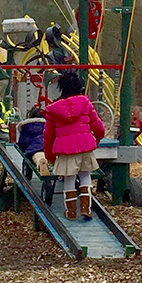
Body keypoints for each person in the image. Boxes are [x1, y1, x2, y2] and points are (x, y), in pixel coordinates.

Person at [43, 70, 105, 220]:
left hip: (65, 149)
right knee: (85, 175)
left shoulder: (54, 110)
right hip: (85, 145)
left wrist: (50, 156)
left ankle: (71, 212)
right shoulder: (86, 104)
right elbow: (99, 127)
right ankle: (86, 208)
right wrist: (96, 139)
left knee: (69, 178)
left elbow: (48, 136)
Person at [16, 107, 50, 176]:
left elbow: (22, 142)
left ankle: (38, 164)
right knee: (43, 157)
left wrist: (22, 149)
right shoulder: (47, 126)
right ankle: (47, 179)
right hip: (46, 147)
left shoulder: (25, 127)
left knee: (32, 156)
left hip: (32, 148)